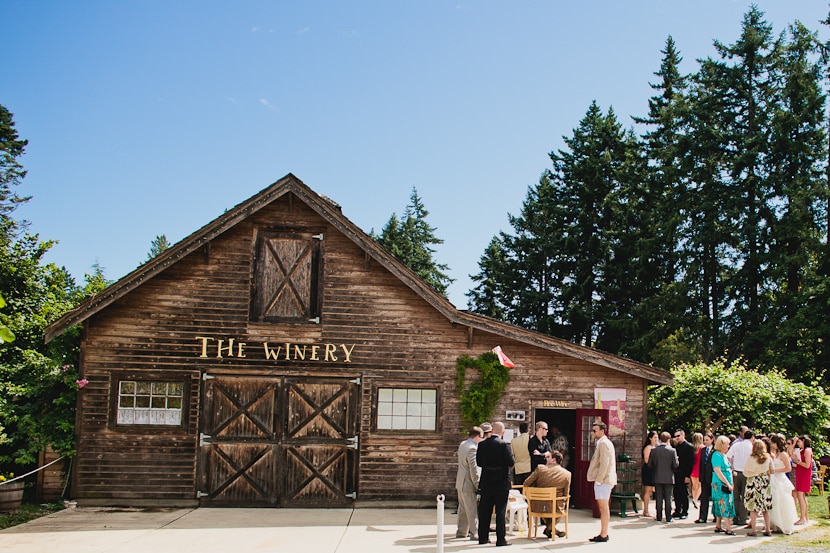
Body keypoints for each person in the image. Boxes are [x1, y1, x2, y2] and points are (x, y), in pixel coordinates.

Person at [476, 421, 515, 547]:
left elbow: (479, 463)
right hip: (501, 481)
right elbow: (511, 462)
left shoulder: (482, 444)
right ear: (503, 433)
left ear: (492, 430)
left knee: (484, 510)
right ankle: (500, 539)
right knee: (500, 511)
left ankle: (483, 537)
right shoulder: (504, 445)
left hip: (486, 480)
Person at [523, 450, 571, 538]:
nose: (545, 458)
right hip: (555, 507)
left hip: (537, 505)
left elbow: (526, 483)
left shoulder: (540, 469)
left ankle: (549, 529)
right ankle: (550, 528)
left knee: (549, 505)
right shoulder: (567, 474)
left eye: (548, 457)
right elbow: (566, 494)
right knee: (560, 505)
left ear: (554, 460)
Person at [586, 421, 616, 543]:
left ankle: (604, 534)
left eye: (595, 430)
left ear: (602, 431)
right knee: (603, 507)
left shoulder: (604, 443)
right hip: (603, 480)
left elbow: (604, 463)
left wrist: (598, 480)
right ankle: (603, 533)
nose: (593, 433)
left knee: (603, 507)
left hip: (604, 480)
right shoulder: (602, 443)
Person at [455, 426, 483, 541]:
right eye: (481, 437)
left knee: (462, 508)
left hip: (460, 481)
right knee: (472, 509)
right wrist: (477, 484)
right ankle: (474, 532)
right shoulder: (473, 449)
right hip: (468, 482)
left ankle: (461, 531)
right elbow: (474, 469)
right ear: (477, 437)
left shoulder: (463, 444)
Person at [768, 433, 797, 535]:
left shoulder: (783, 454)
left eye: (773, 442)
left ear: (777, 443)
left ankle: (784, 524)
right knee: (775, 501)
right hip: (774, 479)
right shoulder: (774, 453)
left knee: (782, 501)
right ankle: (775, 525)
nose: (771, 444)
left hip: (780, 479)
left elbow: (788, 468)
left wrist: (775, 470)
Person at [743, 439, 773, 536]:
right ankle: (768, 529)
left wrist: (753, 474)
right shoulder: (768, 457)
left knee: (753, 508)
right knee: (765, 508)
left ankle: (754, 530)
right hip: (764, 481)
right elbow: (772, 470)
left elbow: (745, 471)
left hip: (753, 482)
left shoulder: (751, 458)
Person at [648, 431, 678, 523]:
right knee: (668, 498)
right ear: (668, 440)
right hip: (669, 477)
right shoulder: (672, 451)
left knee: (659, 497)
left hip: (657, 476)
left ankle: (659, 517)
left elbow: (649, 464)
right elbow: (676, 465)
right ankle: (668, 517)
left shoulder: (654, 450)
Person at [726, 428, 754, 526]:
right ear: (752, 437)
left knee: (736, 496)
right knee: (745, 496)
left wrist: (732, 466)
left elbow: (728, 456)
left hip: (736, 472)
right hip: (747, 473)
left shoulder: (736, 445)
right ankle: (742, 518)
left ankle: (735, 517)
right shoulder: (752, 447)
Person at [711, 435, 736, 535]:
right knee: (723, 504)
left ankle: (718, 525)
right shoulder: (716, 455)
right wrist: (727, 483)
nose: (728, 446)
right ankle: (728, 528)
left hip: (727, 483)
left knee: (720, 504)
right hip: (720, 484)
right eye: (727, 444)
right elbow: (718, 471)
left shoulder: (724, 456)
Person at [672, 429, 695, 519]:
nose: (677, 438)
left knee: (684, 493)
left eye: (678, 436)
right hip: (677, 473)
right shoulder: (676, 447)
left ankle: (685, 511)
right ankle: (678, 510)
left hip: (684, 472)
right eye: (676, 436)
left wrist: (687, 475)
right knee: (676, 492)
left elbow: (690, 463)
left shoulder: (689, 447)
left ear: (683, 435)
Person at [793, 435, 813, 525]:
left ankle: (803, 518)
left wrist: (798, 462)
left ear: (803, 441)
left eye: (799, 441)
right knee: (802, 496)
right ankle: (805, 516)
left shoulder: (807, 451)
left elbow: (807, 465)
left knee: (800, 495)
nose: (798, 443)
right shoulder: (802, 451)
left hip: (804, 475)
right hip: (800, 473)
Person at [695, 432, 715, 524]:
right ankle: (702, 517)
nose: (705, 441)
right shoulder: (703, 450)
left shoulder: (715, 451)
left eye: (707, 440)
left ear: (712, 440)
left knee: (715, 497)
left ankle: (716, 516)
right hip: (704, 477)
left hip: (712, 477)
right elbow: (701, 464)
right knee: (704, 497)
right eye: (704, 440)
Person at [641, 431, 658, 518]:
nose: (656, 439)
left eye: (657, 437)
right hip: (648, 470)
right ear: (650, 438)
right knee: (648, 490)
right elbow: (647, 460)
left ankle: (648, 509)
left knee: (651, 490)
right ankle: (645, 510)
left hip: (653, 470)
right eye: (654, 437)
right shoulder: (648, 447)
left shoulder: (654, 447)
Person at [690, 432, 704, 507]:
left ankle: (694, 497)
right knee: (700, 486)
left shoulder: (692, 448)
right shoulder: (702, 448)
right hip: (700, 468)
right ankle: (695, 499)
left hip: (693, 468)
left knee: (694, 486)